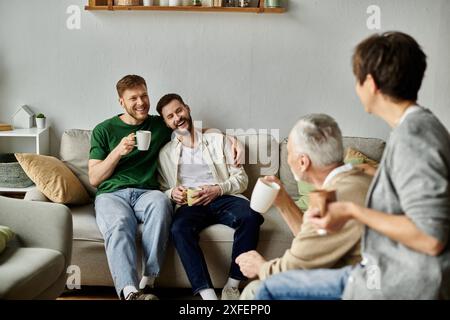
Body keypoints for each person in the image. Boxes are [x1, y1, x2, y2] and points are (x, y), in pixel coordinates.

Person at [254, 32, 450, 300]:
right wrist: (380, 174)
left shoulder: (412, 137)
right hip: (390, 273)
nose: (356, 87)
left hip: (400, 283)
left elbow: (430, 237)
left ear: (371, 83)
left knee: (267, 289)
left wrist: (350, 210)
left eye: (357, 80)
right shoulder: (422, 128)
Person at [236, 114, 373, 300]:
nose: (288, 159)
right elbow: (314, 244)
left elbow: (293, 270)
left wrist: (260, 266)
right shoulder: (357, 179)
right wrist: (283, 201)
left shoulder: (333, 200)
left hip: (364, 289)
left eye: (289, 153)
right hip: (366, 278)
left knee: (256, 289)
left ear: (302, 162)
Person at [156, 93, 264, 300]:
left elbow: (241, 180)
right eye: (170, 116)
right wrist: (172, 193)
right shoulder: (165, 154)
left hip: (223, 196)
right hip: (191, 204)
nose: (177, 117)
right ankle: (207, 295)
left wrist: (218, 189)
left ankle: (232, 285)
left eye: (179, 110)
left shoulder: (218, 141)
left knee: (251, 216)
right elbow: (161, 187)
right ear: (167, 123)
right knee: (179, 229)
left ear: (187, 108)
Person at [89, 75, 173, 300]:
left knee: (162, 202)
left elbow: (190, 128)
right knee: (120, 223)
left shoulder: (158, 124)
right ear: (121, 102)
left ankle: (148, 279)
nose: (141, 102)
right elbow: (94, 178)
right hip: (111, 194)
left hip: (147, 192)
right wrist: (117, 151)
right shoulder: (103, 130)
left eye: (144, 95)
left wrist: (228, 141)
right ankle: (130, 292)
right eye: (133, 98)